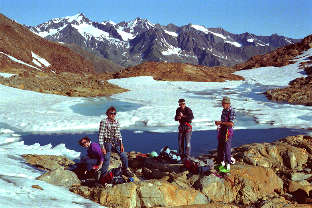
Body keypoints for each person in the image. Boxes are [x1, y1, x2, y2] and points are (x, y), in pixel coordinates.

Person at [98, 106, 133, 177]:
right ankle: (103, 175)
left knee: (124, 155)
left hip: (116, 142)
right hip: (107, 142)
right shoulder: (104, 122)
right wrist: (102, 147)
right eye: (111, 113)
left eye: (114, 113)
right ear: (107, 114)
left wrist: (121, 144)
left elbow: (118, 134)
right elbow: (101, 135)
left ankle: (125, 169)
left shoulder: (116, 122)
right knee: (107, 158)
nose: (113, 115)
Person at [215, 96, 236, 173]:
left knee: (227, 147)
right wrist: (219, 125)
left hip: (228, 131)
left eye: (223, 103)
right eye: (222, 103)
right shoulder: (224, 110)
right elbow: (223, 121)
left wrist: (221, 123)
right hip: (222, 130)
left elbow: (231, 123)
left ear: (227, 103)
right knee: (220, 147)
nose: (222, 105)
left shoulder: (231, 111)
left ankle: (228, 166)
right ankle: (221, 163)